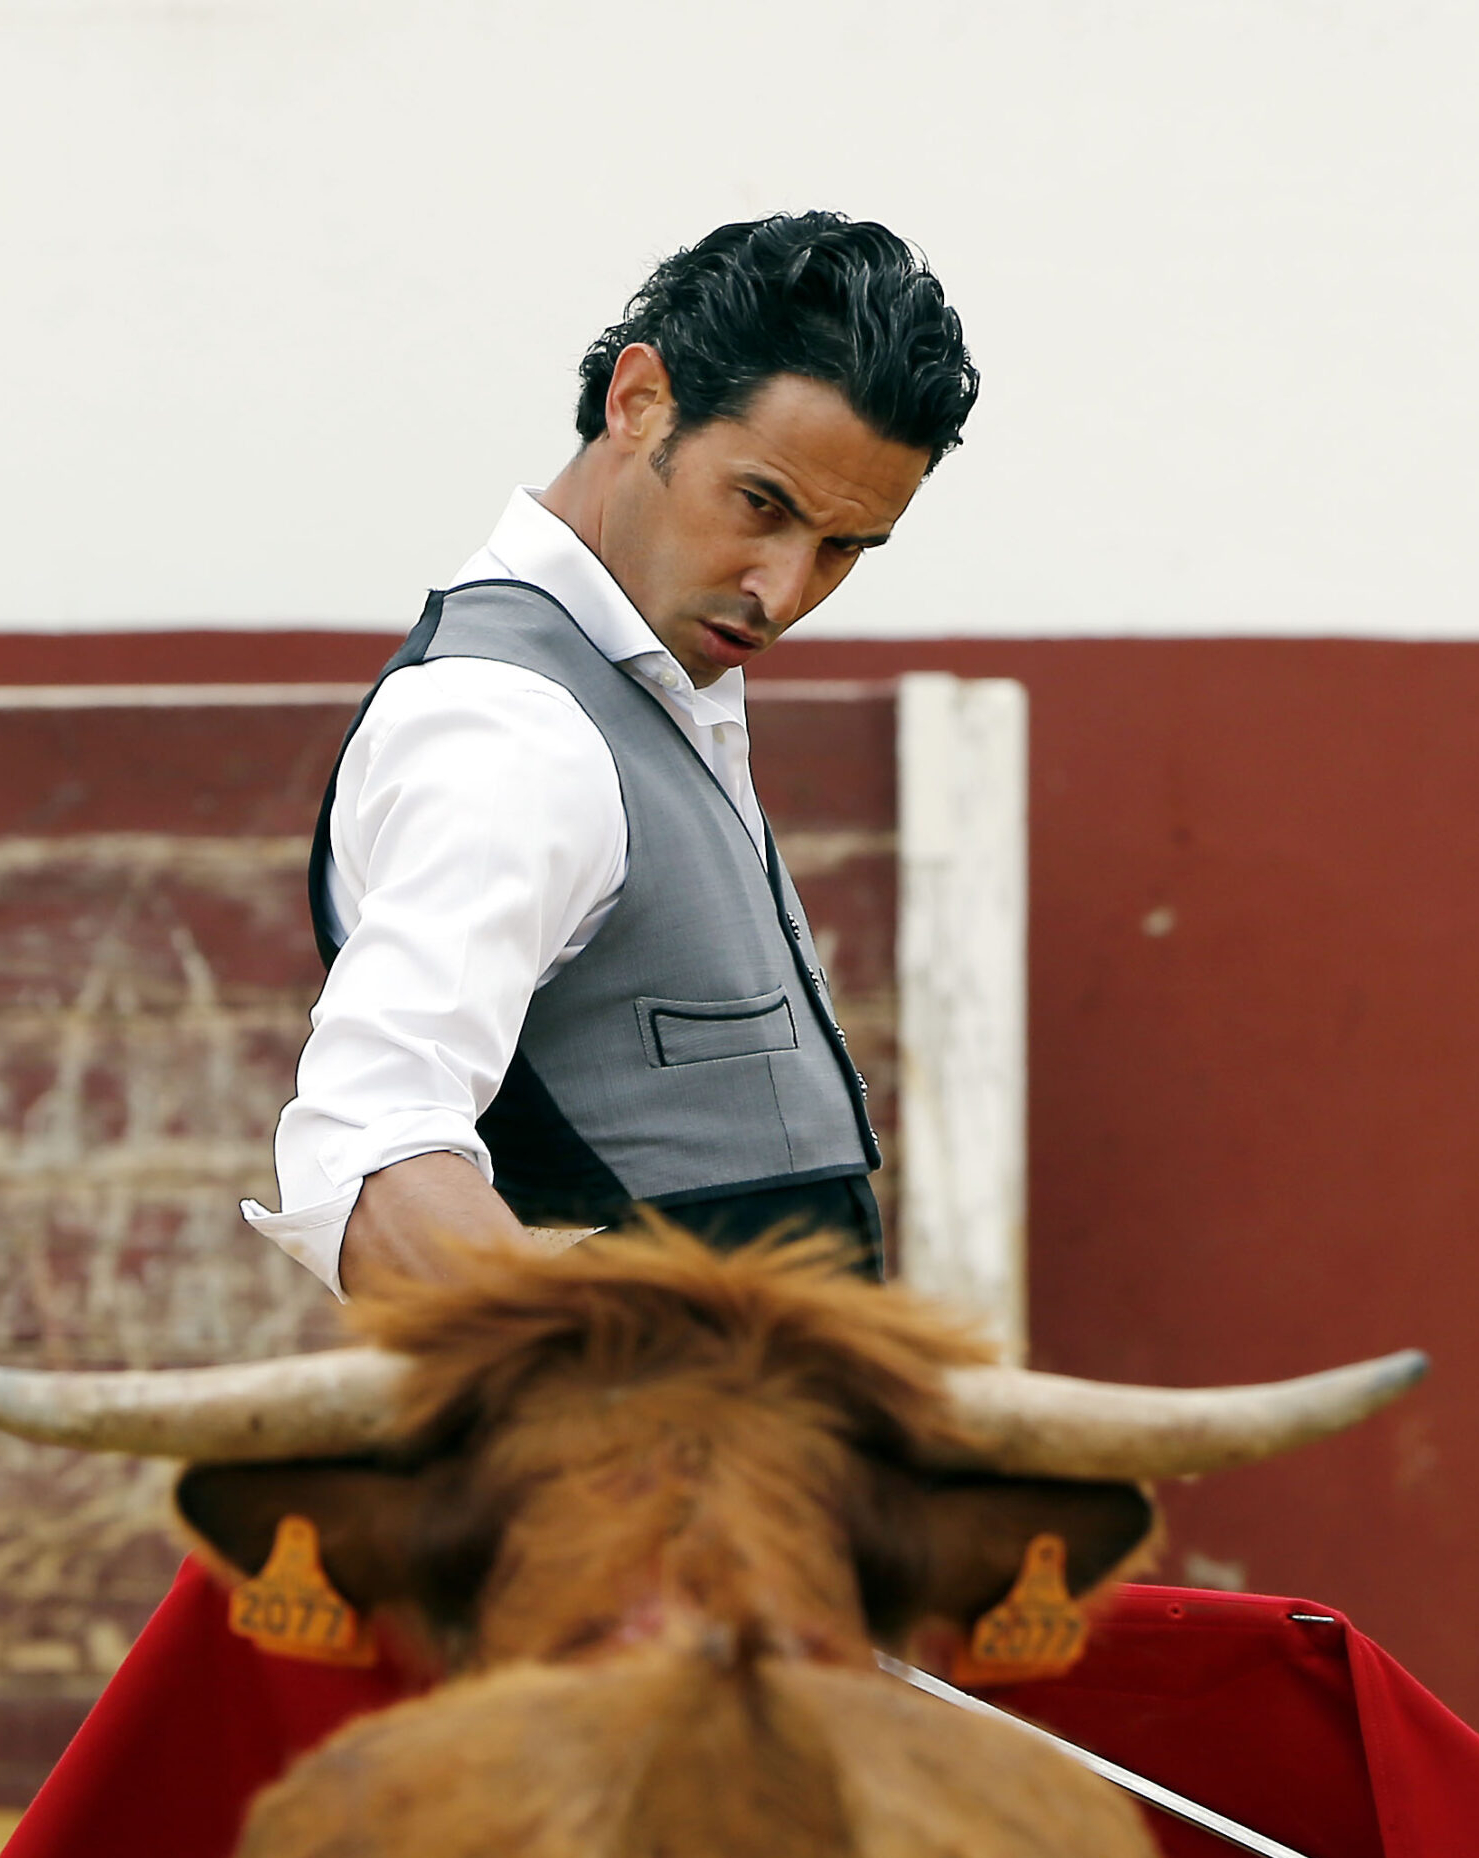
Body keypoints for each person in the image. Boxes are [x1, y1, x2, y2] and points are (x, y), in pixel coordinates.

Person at [243, 212, 978, 1295]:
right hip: (664, 1450)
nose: (784, 591)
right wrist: (598, 1402)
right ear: (639, 401)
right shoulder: (511, 724)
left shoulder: (646, 678)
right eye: (760, 504)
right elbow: (371, 1141)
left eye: (841, 548)